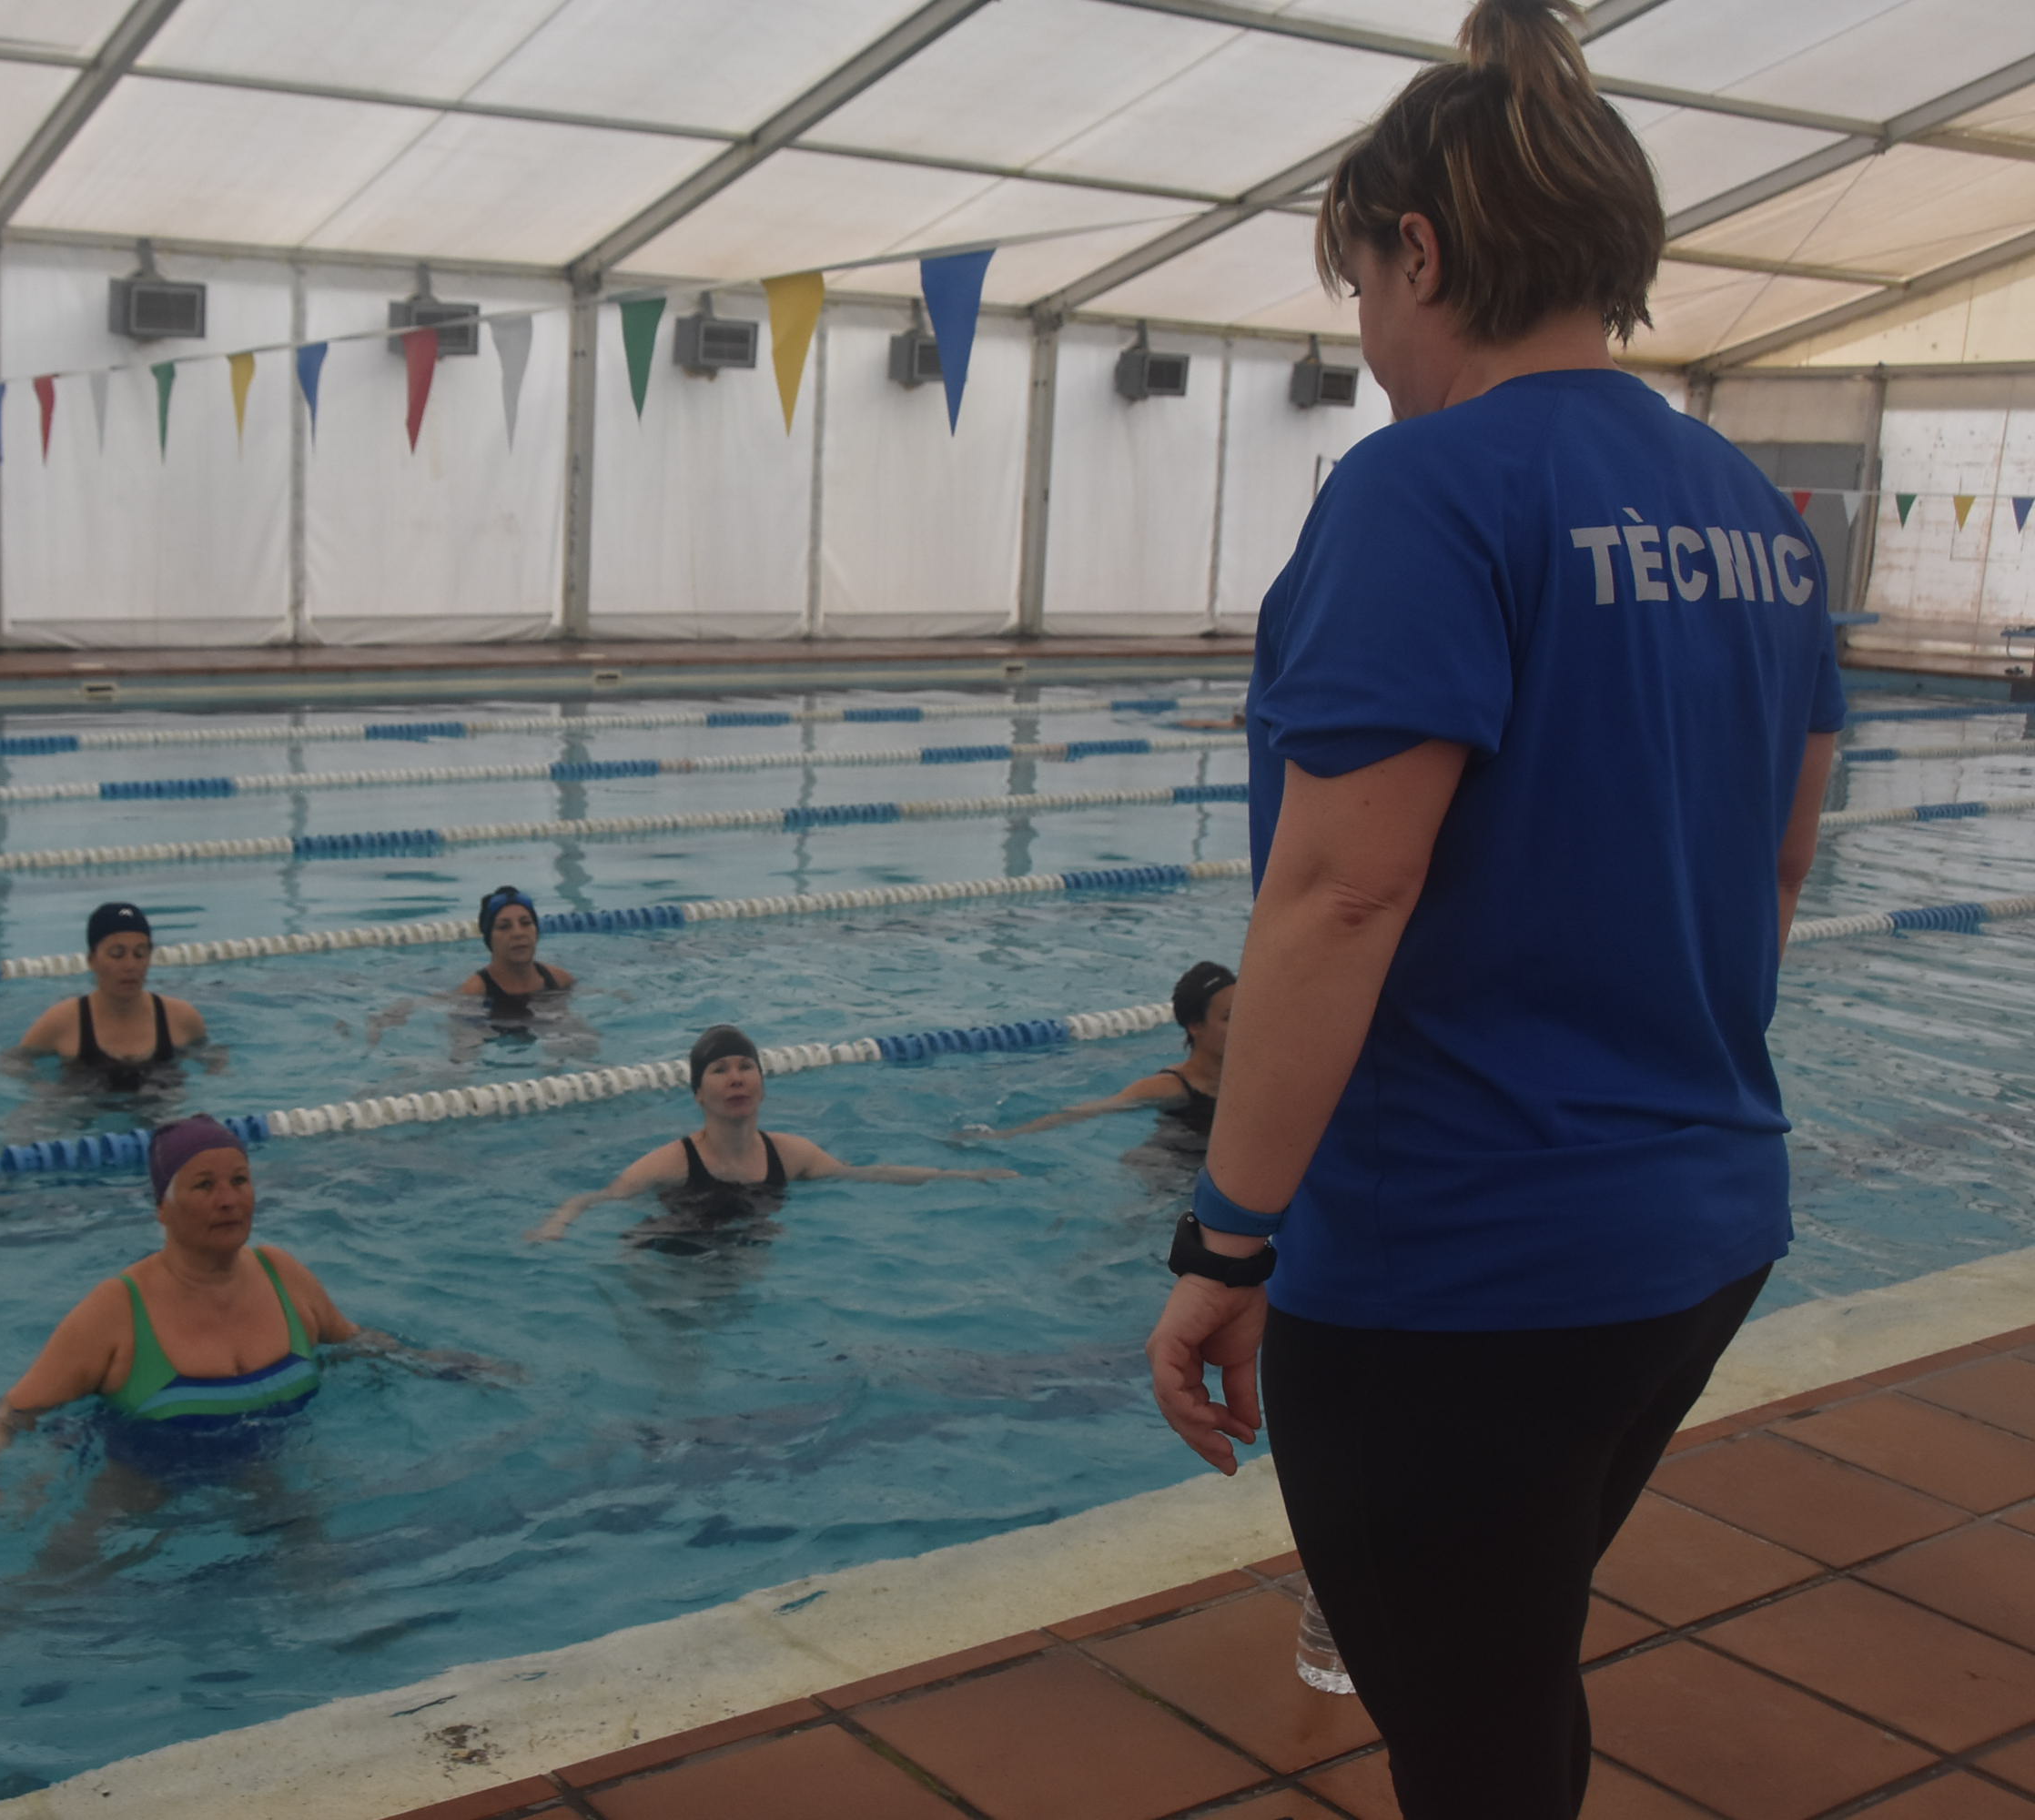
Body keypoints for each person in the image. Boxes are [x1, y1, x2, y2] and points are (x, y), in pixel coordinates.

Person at [1140, 5, 1844, 1815]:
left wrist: (1226, 1242)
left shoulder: (1424, 491)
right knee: (1501, 1669)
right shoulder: (1755, 516)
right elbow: (1772, 869)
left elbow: (1336, 892)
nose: (1363, 345)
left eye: (1357, 290)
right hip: (1697, 1223)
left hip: (1461, 1263)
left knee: (1465, 1733)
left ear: (1420, 253)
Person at [0, 1117, 352, 1505]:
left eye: (240, 1181)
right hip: (141, 1491)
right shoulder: (117, 1309)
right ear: (163, 1208)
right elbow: (12, 1412)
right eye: (204, 1185)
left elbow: (358, 1344)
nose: (228, 1200)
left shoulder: (282, 1274)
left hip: (270, 1474)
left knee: (313, 1565)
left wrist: (414, 1361)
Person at [531, 1025, 1015, 1244]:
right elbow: (595, 1199)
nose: (736, 1078)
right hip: (670, 1247)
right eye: (719, 1070)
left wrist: (961, 1177)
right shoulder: (672, 1163)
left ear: (763, 1083)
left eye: (746, 1067)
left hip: (744, 1243)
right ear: (698, 1093)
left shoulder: (791, 1153)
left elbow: (868, 1174)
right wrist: (557, 1225)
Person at [959, 962, 1232, 1146]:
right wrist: (1002, 1136)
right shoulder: (1171, 1086)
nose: (1246, 1024)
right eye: (1229, 1017)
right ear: (1195, 1026)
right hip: (1169, 1170)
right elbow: (1083, 1112)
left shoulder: (1248, 1078)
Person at [14, 903, 209, 1091]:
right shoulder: (63, 1020)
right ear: (92, 960)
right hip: (78, 1106)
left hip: (161, 1104)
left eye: (140, 954)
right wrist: (41, 1088)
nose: (130, 965)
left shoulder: (181, 1018)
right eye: (117, 954)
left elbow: (214, 1059)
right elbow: (14, 1061)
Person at [457, 885, 577, 1030]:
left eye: (526, 923)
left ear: (536, 932)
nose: (518, 933)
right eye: (504, 926)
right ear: (490, 939)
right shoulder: (475, 992)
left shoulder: (559, 979)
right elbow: (464, 1044)